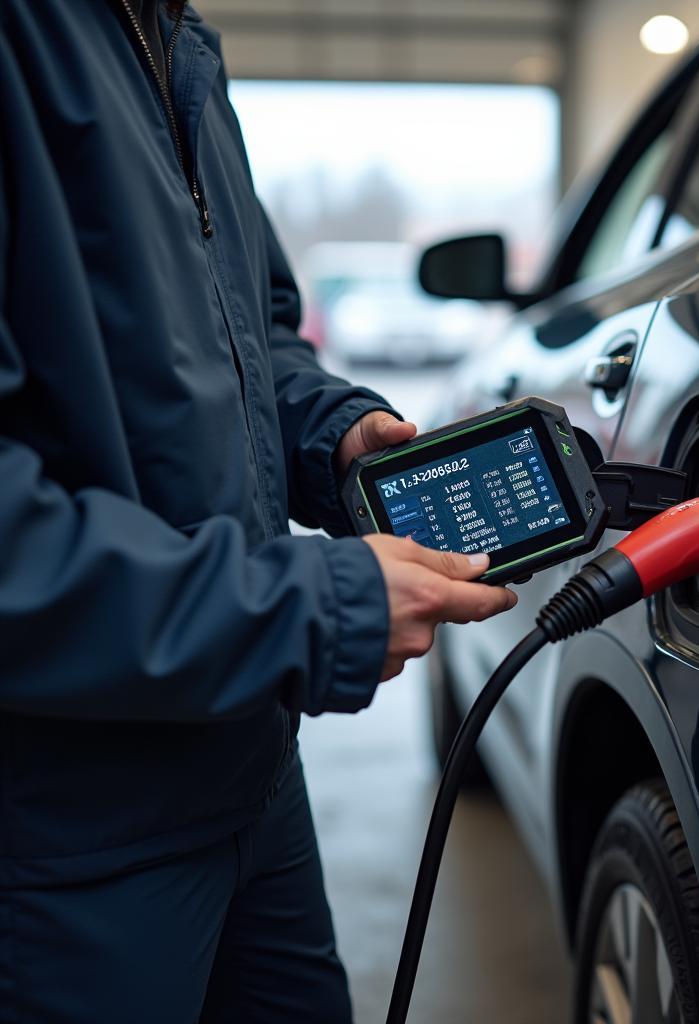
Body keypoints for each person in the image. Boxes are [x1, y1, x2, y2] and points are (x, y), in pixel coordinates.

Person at [0, 1, 515, 1020]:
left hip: (251, 775)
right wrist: (307, 608)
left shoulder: (176, 42)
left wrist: (337, 436)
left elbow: (253, 332)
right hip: (71, 830)